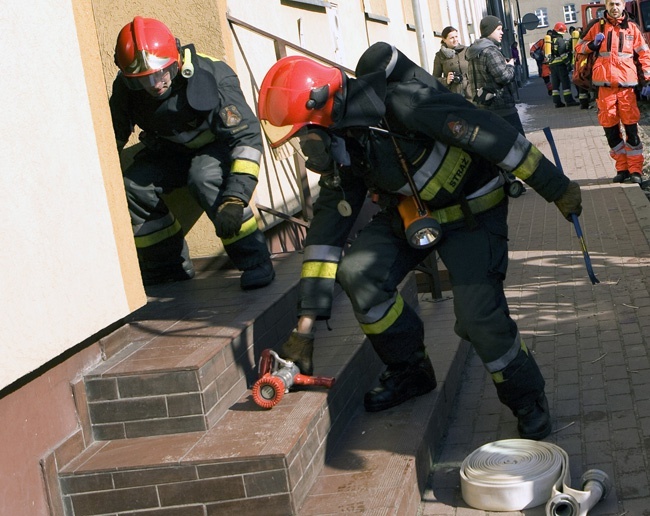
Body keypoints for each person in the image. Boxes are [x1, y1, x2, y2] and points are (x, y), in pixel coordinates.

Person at [257, 42, 584, 440]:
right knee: (359, 271)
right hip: (412, 216)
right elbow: (327, 233)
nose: (306, 151)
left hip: (473, 216)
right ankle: (410, 371)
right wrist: (304, 329)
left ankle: (527, 399)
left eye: (303, 138)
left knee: (479, 318)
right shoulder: (346, 143)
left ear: (322, 112)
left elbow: (495, 137)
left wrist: (556, 187)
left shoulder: (405, 105)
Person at [109, 17, 275, 288]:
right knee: (133, 185)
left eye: (159, 73)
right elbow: (111, 137)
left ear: (174, 61)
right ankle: (168, 268)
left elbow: (246, 138)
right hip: (169, 152)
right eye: (141, 79)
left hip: (216, 147)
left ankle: (255, 262)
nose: (153, 85)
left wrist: (236, 197)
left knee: (204, 177)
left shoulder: (213, 75)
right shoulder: (127, 88)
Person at [577, 0, 650, 184]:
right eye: (610, 4)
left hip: (626, 88)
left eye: (617, 4)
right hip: (605, 88)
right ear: (606, 6)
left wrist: (648, 78)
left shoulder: (632, 28)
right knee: (610, 131)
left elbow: (644, 53)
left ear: (624, 5)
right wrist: (592, 45)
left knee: (631, 130)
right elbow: (579, 48)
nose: (614, 8)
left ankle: (635, 170)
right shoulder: (596, 26)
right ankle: (622, 169)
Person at [466, 15, 524, 135]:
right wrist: (510, 66)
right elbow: (504, 77)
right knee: (519, 146)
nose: (501, 32)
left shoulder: (474, 51)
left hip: (483, 107)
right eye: (498, 29)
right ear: (489, 31)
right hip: (502, 107)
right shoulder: (490, 51)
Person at [432, 26, 472, 99]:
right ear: (444, 39)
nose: (455, 40)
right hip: (453, 95)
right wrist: (446, 80)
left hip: (471, 93)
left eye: (456, 36)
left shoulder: (467, 50)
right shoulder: (440, 56)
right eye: (451, 38)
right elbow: (434, 79)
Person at [547, 22, 580, 108]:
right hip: (560, 65)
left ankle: (557, 102)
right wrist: (568, 64)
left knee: (555, 84)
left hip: (552, 65)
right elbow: (563, 54)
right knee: (565, 83)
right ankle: (569, 101)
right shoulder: (560, 40)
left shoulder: (551, 40)